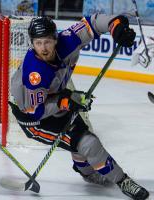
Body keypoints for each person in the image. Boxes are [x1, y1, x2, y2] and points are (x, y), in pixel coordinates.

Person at [9, 15, 149, 199]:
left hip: (55, 99)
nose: (43, 48)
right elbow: (35, 110)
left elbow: (93, 23)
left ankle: (89, 173)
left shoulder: (67, 41)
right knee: (88, 143)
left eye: (48, 42)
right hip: (33, 119)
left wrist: (115, 26)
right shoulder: (35, 73)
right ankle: (123, 181)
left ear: (56, 38)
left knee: (81, 142)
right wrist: (65, 102)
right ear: (32, 43)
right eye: (38, 43)